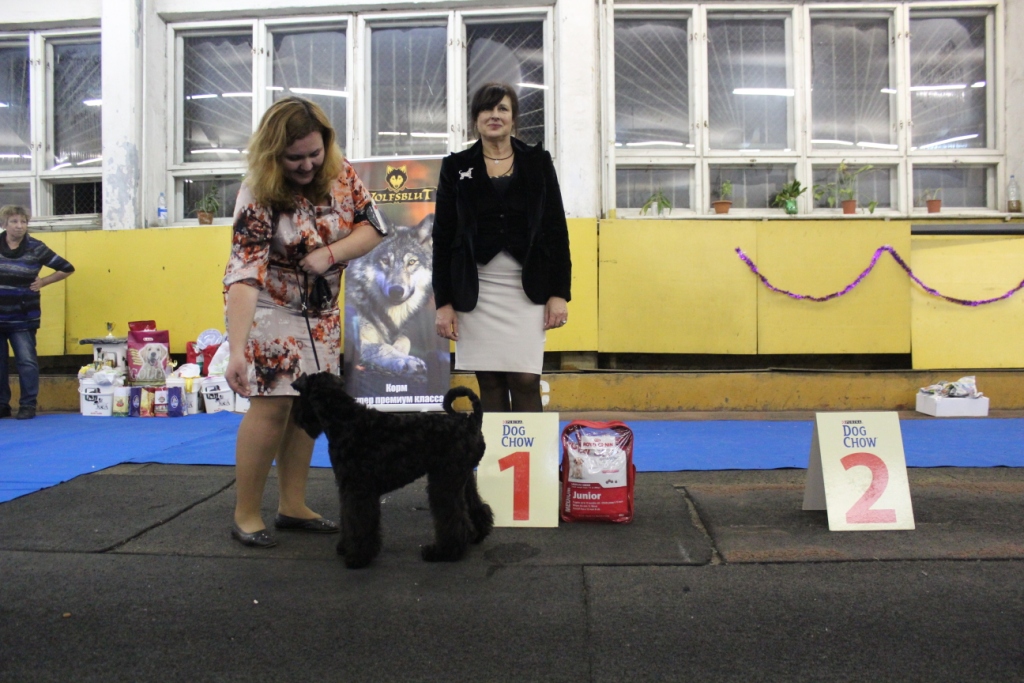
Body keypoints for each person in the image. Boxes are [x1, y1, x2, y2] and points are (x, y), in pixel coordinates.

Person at [223, 97, 387, 548]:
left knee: (307, 406)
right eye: (295, 157)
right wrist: (236, 351)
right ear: (273, 154)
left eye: (315, 153)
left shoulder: (342, 173)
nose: (308, 164)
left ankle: (292, 505)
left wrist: (330, 254)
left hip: (322, 312)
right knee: (273, 403)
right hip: (270, 305)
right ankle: (245, 513)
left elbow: (373, 227)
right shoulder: (257, 193)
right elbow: (244, 274)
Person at [432, 82, 571, 412]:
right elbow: (443, 237)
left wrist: (559, 293)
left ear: (513, 118)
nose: (494, 115)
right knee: (490, 381)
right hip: (477, 288)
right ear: (475, 119)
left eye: (502, 109)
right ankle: (494, 449)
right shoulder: (455, 167)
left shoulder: (538, 162)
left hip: (528, 287)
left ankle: (531, 450)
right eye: (486, 109)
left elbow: (556, 230)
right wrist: (444, 303)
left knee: (525, 379)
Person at [0, 205, 75, 420]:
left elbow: (66, 268)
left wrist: (44, 281)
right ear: (4, 224)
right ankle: (2, 405)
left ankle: (28, 404)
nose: (19, 226)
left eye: (23, 222)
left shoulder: (36, 247)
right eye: (14, 222)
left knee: (27, 361)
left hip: (24, 317)